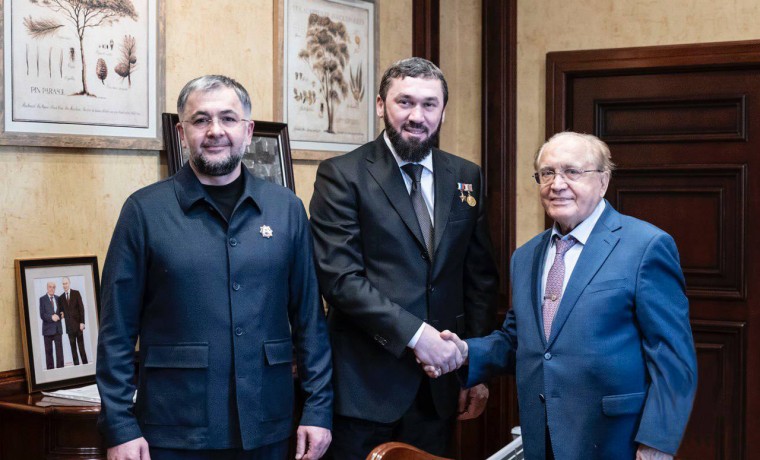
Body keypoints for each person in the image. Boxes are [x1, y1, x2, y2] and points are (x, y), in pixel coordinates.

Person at [96, 75, 333, 460]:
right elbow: (116, 330)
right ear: (182, 132)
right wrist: (119, 425)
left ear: (248, 131)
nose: (215, 131)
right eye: (201, 120)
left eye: (228, 118)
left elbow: (310, 321)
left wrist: (318, 409)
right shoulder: (144, 212)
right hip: (174, 428)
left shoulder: (286, 209)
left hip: (268, 424)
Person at [434, 132, 697, 459]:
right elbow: (519, 340)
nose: (557, 184)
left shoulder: (646, 246)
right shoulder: (526, 256)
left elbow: (673, 357)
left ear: (603, 181)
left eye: (572, 172)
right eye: (547, 173)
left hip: (616, 441)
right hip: (542, 438)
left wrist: (657, 443)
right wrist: (465, 351)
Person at [309, 57, 498, 459]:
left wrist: (475, 369)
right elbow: (341, 279)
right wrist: (417, 336)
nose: (417, 116)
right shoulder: (342, 175)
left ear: (443, 110)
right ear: (381, 105)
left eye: (429, 104)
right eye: (405, 102)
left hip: (440, 387)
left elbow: (479, 279)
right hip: (365, 388)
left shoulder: (466, 176)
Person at [59, 276, 88, 365]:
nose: (65, 285)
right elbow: (61, 311)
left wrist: (82, 322)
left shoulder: (76, 293)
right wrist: (60, 314)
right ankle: (77, 367)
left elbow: (81, 308)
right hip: (69, 328)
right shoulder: (61, 298)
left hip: (78, 326)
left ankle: (86, 365)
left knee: (81, 348)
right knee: (73, 350)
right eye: (63, 284)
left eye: (66, 283)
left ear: (69, 283)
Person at [39, 281, 64, 369]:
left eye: (53, 287)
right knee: (49, 353)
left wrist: (61, 315)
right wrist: (51, 317)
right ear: (47, 288)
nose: (52, 289)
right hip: (47, 330)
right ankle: (51, 372)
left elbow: (61, 312)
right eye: (50, 287)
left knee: (60, 353)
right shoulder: (42, 299)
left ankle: (61, 371)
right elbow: (42, 315)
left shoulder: (58, 298)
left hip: (57, 330)